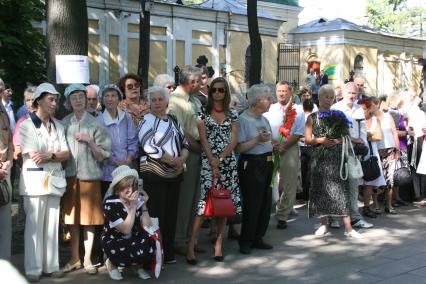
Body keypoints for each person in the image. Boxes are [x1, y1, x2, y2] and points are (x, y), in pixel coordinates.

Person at [186, 77, 242, 264]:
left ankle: (219, 244)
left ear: (226, 93)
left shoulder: (232, 114)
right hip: (208, 162)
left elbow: (234, 140)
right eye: (214, 90)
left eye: (221, 90)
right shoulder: (203, 112)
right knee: (203, 206)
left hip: (227, 163)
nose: (217, 93)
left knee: (224, 204)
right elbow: (202, 139)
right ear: (210, 93)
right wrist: (212, 161)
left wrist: (221, 158)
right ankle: (191, 245)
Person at [19, 83, 70, 281]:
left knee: (52, 225)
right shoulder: (26, 125)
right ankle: (33, 269)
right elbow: (34, 155)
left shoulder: (58, 125)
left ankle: (51, 265)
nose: (54, 103)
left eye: (56, 99)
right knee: (34, 226)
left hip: (54, 180)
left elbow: (65, 154)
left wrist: (49, 154)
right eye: (50, 99)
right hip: (34, 180)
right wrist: (54, 155)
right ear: (38, 100)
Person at [60, 84, 112, 275]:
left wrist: (89, 141)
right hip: (70, 177)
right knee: (72, 220)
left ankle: (88, 259)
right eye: (74, 97)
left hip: (90, 178)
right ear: (68, 102)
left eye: (81, 96)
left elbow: (103, 156)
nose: (79, 100)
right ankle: (74, 258)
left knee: (89, 220)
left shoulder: (96, 123)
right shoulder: (64, 123)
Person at [138, 86, 189, 264]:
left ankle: (167, 253)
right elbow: (147, 145)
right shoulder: (146, 120)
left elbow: (185, 143)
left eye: (161, 99)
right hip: (154, 174)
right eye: (154, 100)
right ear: (149, 103)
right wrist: (172, 160)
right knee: (155, 215)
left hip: (175, 174)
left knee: (170, 214)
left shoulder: (173, 119)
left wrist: (181, 159)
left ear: (167, 101)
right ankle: (153, 255)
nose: (158, 103)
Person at [305, 84, 362, 239]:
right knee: (321, 191)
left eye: (331, 97)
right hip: (320, 158)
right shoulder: (312, 117)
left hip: (337, 158)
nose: (329, 100)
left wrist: (335, 141)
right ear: (319, 98)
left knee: (341, 192)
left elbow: (346, 136)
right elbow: (307, 139)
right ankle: (324, 224)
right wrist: (321, 140)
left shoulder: (338, 115)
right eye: (326, 97)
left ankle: (348, 228)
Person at [167, 66, 203, 255]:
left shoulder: (195, 100)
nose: (201, 84)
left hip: (199, 151)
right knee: (185, 198)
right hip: (188, 153)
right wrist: (200, 148)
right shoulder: (175, 101)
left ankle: (190, 238)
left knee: (195, 198)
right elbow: (179, 132)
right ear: (192, 82)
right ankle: (179, 238)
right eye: (199, 80)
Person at [237, 84, 274, 254]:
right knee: (252, 203)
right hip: (252, 164)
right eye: (268, 98)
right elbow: (240, 148)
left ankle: (258, 237)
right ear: (257, 101)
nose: (270, 101)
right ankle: (246, 240)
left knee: (265, 203)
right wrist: (258, 140)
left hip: (267, 162)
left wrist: (275, 145)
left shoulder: (264, 119)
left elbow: (267, 141)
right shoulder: (243, 119)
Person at [331, 82, 373, 229]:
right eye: (349, 93)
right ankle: (334, 216)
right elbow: (332, 132)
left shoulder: (358, 110)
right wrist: (349, 139)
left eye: (354, 93)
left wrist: (364, 149)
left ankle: (355, 217)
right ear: (343, 92)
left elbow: (362, 131)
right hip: (338, 150)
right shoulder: (336, 108)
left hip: (354, 152)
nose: (351, 96)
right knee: (337, 184)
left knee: (353, 185)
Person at [264, 81, 305, 230]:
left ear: (290, 92)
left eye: (284, 91)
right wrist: (272, 144)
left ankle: (282, 215)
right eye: (279, 91)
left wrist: (284, 146)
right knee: (272, 181)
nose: (281, 94)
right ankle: (271, 208)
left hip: (290, 148)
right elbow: (264, 127)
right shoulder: (270, 109)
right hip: (271, 146)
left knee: (289, 182)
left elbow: (299, 132)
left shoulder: (297, 110)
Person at [102, 165, 154, 281]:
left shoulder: (137, 199)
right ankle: (111, 262)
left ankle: (135, 264)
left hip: (132, 239)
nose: (130, 190)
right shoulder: (111, 203)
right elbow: (125, 229)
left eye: (132, 185)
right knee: (125, 248)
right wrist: (132, 207)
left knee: (150, 242)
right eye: (125, 186)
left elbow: (148, 227)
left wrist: (144, 205)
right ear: (117, 189)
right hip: (114, 240)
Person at [97, 84, 138, 197]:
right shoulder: (98, 121)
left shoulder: (126, 117)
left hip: (126, 170)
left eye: (114, 95)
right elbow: (99, 147)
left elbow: (133, 140)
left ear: (119, 99)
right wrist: (114, 161)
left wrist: (129, 159)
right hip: (107, 173)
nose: (110, 99)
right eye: (107, 96)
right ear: (102, 99)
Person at [370, 96, 400, 214]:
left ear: (377, 104)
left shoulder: (387, 116)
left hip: (390, 150)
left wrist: (397, 150)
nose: (370, 107)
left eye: (372, 104)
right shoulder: (369, 118)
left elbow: (394, 133)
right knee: (376, 178)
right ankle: (376, 205)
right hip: (376, 151)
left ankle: (389, 205)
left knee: (390, 179)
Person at [358, 97, 387, 216]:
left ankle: (366, 207)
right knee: (358, 181)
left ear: (369, 109)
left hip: (371, 153)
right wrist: (369, 136)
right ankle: (353, 210)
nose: (362, 111)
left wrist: (368, 136)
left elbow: (378, 137)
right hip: (359, 152)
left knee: (370, 182)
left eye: (364, 109)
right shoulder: (357, 120)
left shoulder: (375, 120)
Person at [0, 78, 13, 260]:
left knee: (5, 224)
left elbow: (10, 140)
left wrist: (8, 162)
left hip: (5, 170)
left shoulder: (3, 111)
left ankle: (5, 265)